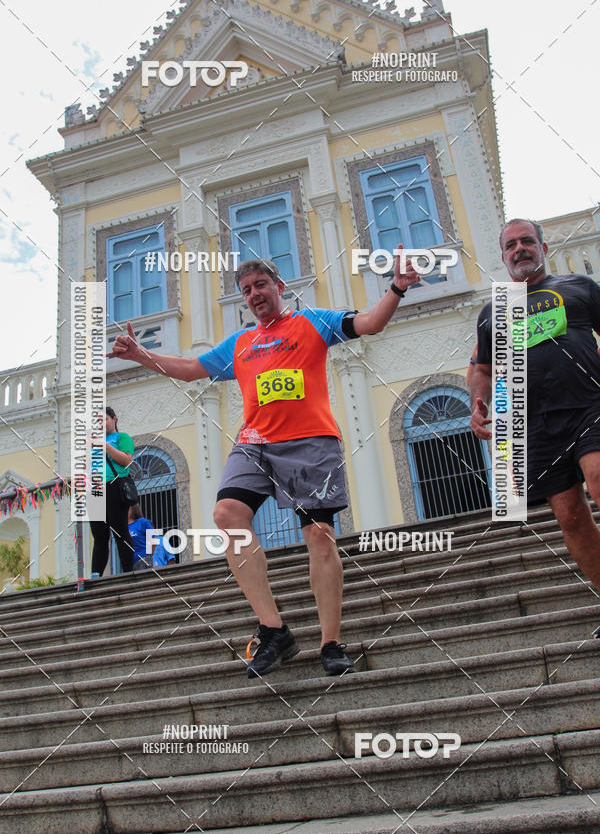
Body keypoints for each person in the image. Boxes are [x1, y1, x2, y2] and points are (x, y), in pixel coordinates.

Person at [109, 252, 419, 676]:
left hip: (311, 442)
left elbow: (369, 323)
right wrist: (142, 355)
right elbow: (187, 369)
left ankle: (330, 642)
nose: (254, 294)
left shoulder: (312, 322)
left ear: (280, 287)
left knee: (320, 535)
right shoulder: (240, 344)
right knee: (227, 512)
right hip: (255, 443)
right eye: (246, 290)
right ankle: (274, 630)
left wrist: (397, 288)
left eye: (261, 285)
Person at [470, 218, 600, 603]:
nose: (519, 249)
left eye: (527, 241)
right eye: (510, 245)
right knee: (570, 517)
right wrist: (479, 405)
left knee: (598, 476)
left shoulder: (577, 287)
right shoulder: (492, 312)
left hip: (588, 406)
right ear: (503, 256)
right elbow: (482, 367)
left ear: (543, 248)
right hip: (534, 426)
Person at [89, 406, 135, 577]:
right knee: (99, 537)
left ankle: (128, 572)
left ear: (114, 419)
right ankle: (96, 574)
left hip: (114, 486)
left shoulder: (121, 437)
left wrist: (105, 445)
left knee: (120, 531)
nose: (101, 424)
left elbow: (127, 461)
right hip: (95, 490)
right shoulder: (92, 443)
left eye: (104, 419)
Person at [128, 503, 155, 571]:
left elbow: (153, 540)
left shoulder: (142, 522)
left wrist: (149, 556)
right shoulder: (124, 527)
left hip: (143, 560)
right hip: (129, 562)